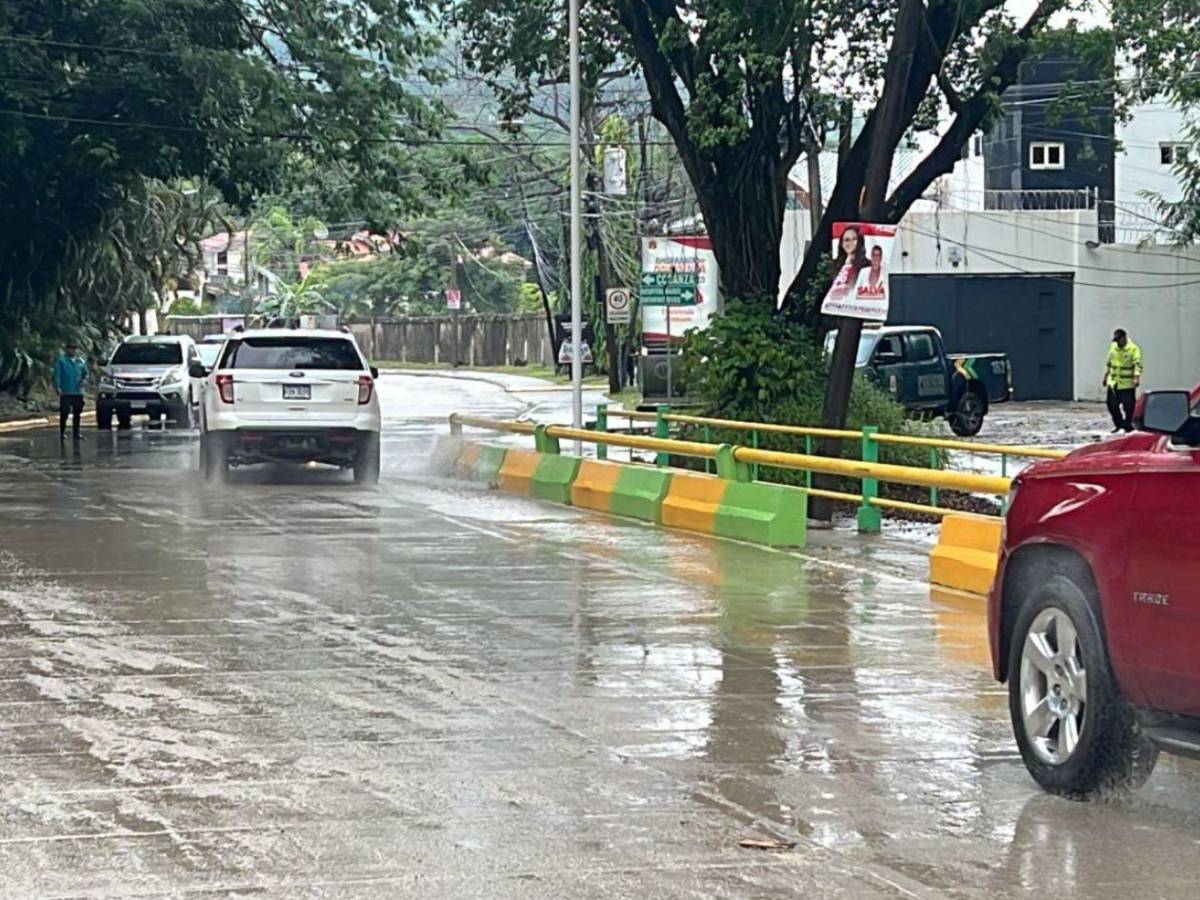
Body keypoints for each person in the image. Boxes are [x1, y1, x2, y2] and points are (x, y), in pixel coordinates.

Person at [1103, 328, 1142, 433]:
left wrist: (1136, 378)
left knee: (1129, 407)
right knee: (1111, 405)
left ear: (1124, 337)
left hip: (1127, 384)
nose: (1117, 342)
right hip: (1114, 383)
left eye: (1119, 339)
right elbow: (1109, 363)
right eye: (1115, 340)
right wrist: (1105, 376)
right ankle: (1119, 425)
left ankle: (1128, 426)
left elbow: (1137, 364)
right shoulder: (1113, 347)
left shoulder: (1133, 349)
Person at [53, 342, 88, 441]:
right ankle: (62, 432)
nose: (72, 350)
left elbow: (86, 374)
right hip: (66, 391)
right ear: (67, 349)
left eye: (74, 348)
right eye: (70, 348)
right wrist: (58, 387)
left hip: (78, 391)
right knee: (65, 412)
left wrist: (84, 381)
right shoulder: (61, 361)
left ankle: (76, 433)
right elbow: (57, 375)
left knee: (77, 412)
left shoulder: (80, 361)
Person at [828, 226, 868, 299]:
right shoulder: (835, 264)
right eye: (847, 240)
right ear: (842, 243)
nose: (850, 243)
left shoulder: (866, 265)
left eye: (854, 239)